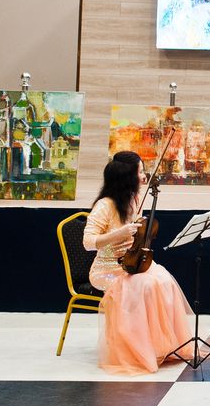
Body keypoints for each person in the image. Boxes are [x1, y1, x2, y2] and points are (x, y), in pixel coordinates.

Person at [82, 150, 195, 375]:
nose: (144, 176)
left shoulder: (134, 200)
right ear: (126, 177)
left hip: (131, 263)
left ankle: (160, 346)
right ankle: (135, 350)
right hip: (106, 269)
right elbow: (88, 243)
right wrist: (120, 233)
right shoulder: (104, 206)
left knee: (163, 280)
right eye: (140, 172)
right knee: (143, 285)